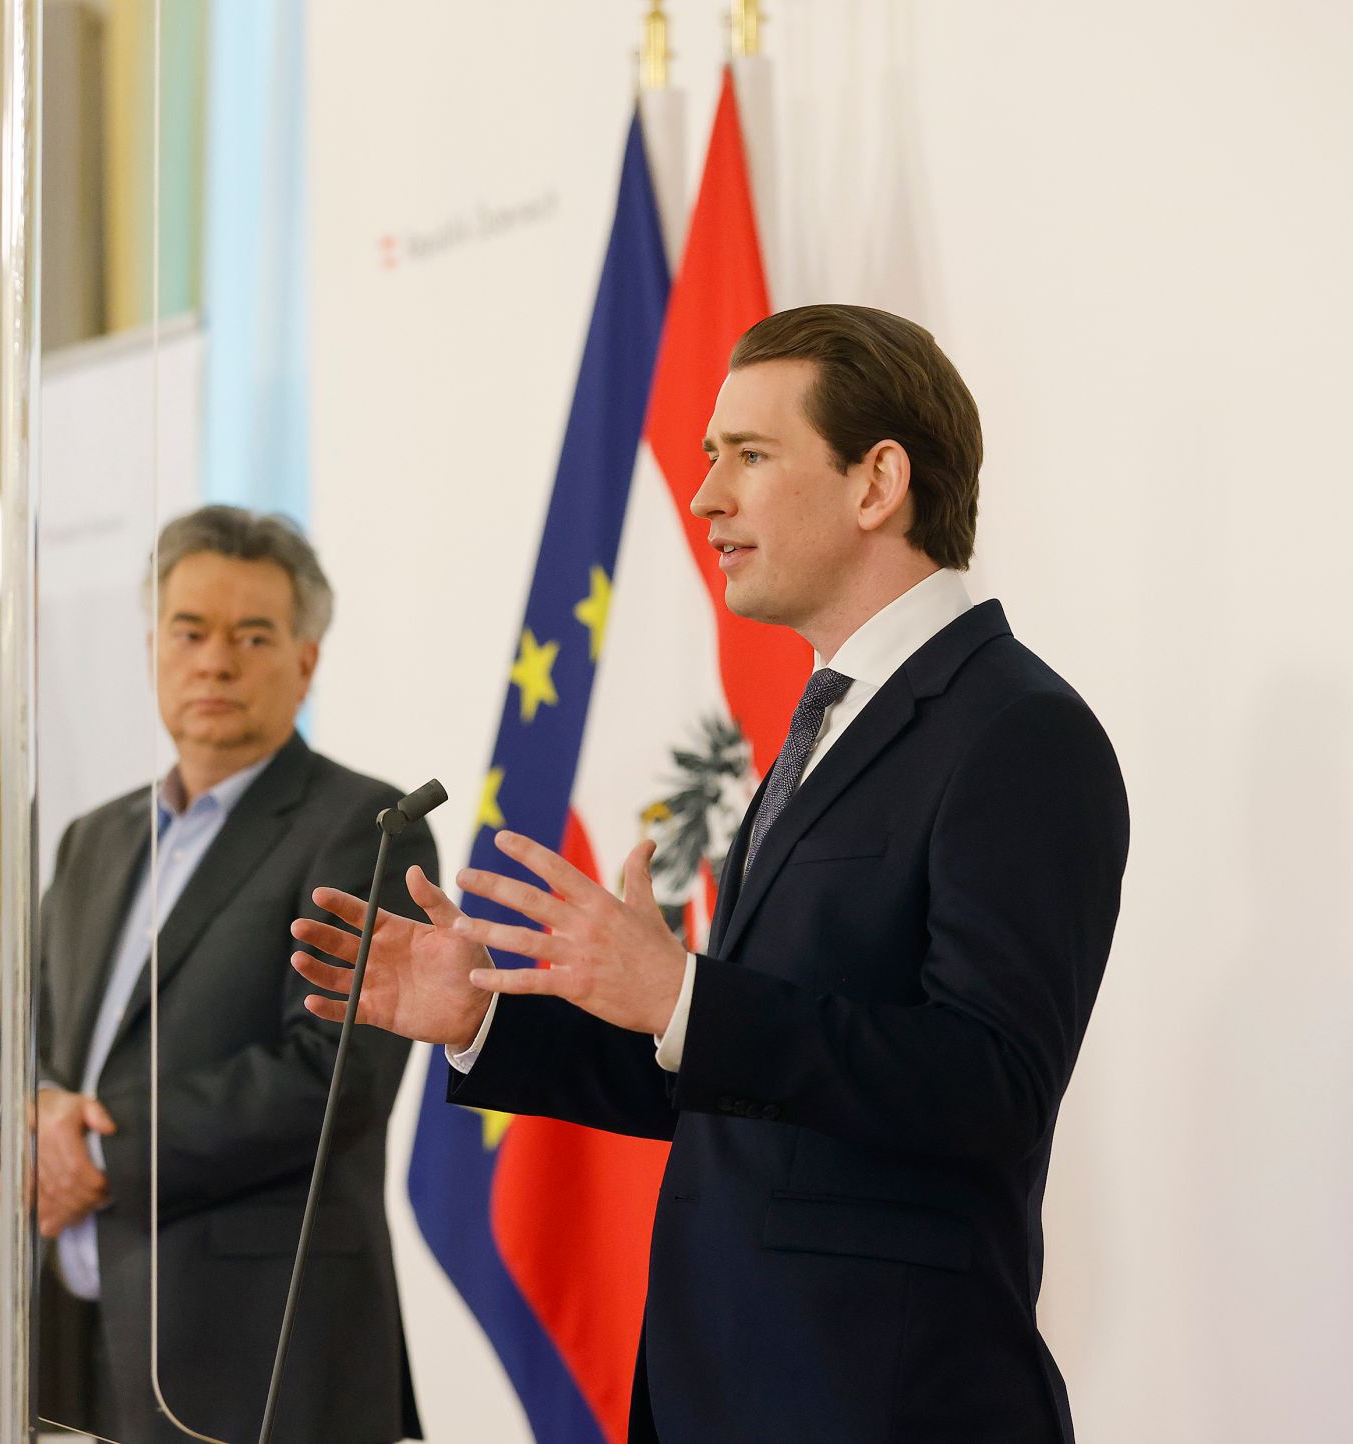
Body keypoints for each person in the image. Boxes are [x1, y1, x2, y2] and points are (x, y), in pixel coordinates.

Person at [292, 305, 1129, 1443]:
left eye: (748, 455)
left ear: (876, 483)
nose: (702, 498)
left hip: (883, 1405)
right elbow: (741, 1087)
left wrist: (685, 995)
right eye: (704, 457)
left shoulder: (1015, 731)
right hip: (725, 1391)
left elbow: (989, 1086)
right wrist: (487, 1019)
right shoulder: (829, 719)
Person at [0, 506, 431, 1444]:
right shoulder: (94, 840)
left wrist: (95, 1153)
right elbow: (4, 1050)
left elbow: (334, 1074)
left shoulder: (365, 828)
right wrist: (31, 1120)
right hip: (77, 1340)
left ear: (306, 662)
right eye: (189, 632)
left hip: (262, 1358)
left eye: (253, 637)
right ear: (152, 652)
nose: (215, 662)